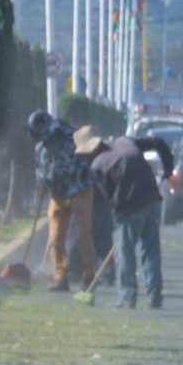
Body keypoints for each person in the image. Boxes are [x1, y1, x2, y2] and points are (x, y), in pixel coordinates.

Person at [80, 123, 164, 309]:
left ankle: (128, 295)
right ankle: (155, 294)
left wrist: (116, 219)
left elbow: (108, 196)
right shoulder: (123, 141)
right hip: (152, 199)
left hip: (131, 206)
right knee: (151, 249)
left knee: (125, 252)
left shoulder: (97, 165)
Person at [27, 110, 94, 293]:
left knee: (82, 236)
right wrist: (42, 184)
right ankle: (60, 277)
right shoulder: (41, 147)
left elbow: (70, 162)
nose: (33, 137)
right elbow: (42, 170)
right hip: (58, 194)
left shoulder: (67, 135)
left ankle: (89, 275)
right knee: (56, 238)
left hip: (79, 190)